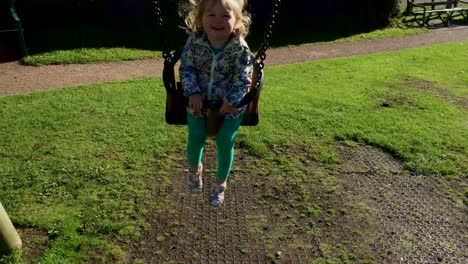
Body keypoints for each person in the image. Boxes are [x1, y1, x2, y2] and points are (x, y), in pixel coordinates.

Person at [179, 0, 253, 207]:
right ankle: (195, 172)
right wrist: (192, 92)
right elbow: (187, 68)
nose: (218, 21)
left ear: (237, 21)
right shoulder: (195, 41)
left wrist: (232, 101)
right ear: (200, 19)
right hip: (199, 102)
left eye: (225, 16)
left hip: (230, 105)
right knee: (195, 138)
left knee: (224, 141)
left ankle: (220, 184)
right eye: (212, 15)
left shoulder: (239, 48)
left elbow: (244, 78)